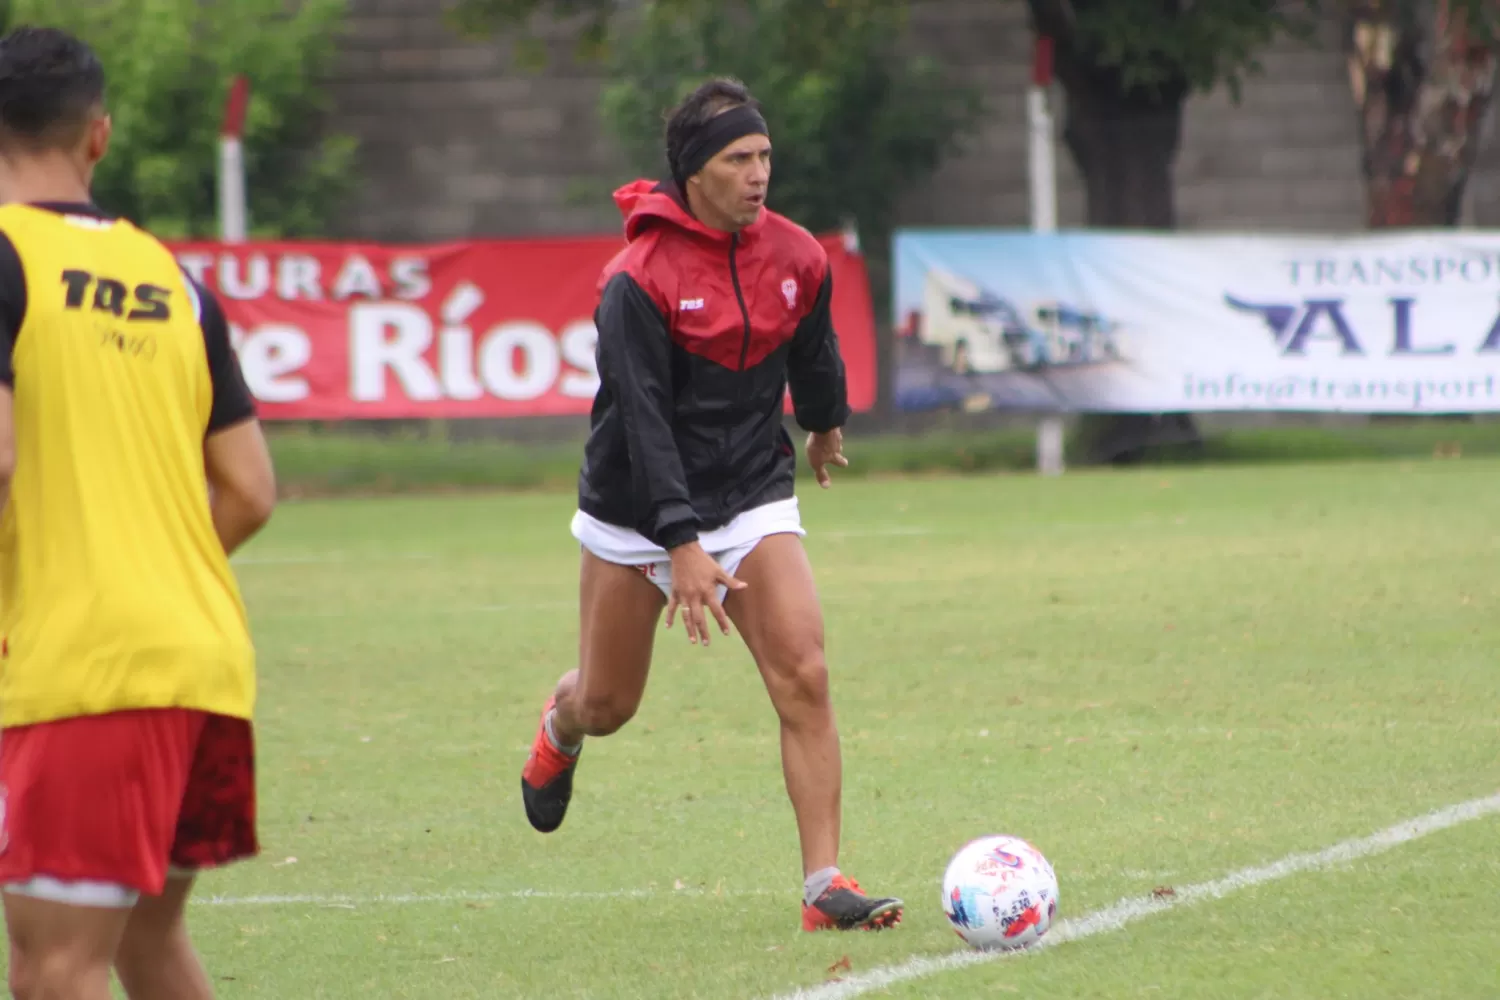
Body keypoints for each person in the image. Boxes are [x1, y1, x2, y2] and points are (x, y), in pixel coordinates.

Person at [521, 77, 903, 933]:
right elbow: (645, 426)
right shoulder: (636, 280)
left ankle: (823, 886)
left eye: (765, 155)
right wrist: (681, 543)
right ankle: (561, 722)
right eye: (739, 158)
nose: (760, 173)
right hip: (636, 505)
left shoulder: (797, 253)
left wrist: (826, 420)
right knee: (611, 705)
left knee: (805, 673)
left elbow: (810, 341)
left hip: (750, 488)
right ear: (696, 171)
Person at [0, 26, 277, 1000]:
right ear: (100, 137)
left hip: (84, 671)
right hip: (201, 663)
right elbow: (250, 488)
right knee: (146, 947)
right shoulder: (174, 278)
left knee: (51, 970)